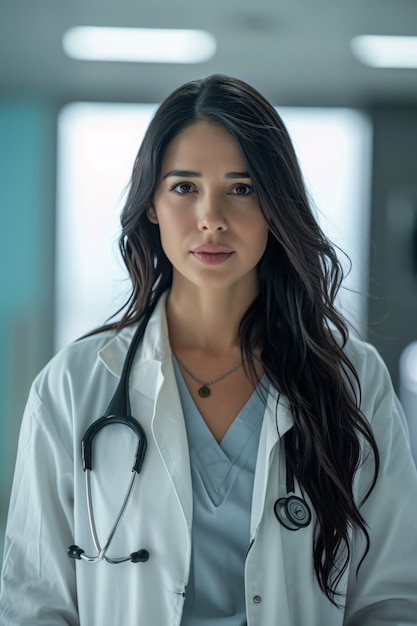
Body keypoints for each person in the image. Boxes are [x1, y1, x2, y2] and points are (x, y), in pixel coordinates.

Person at [1, 74, 417, 626]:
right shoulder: (72, 385)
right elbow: (35, 604)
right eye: (184, 187)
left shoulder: (352, 378)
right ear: (150, 204)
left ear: (275, 205)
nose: (212, 219)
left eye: (241, 188)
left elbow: (390, 598)